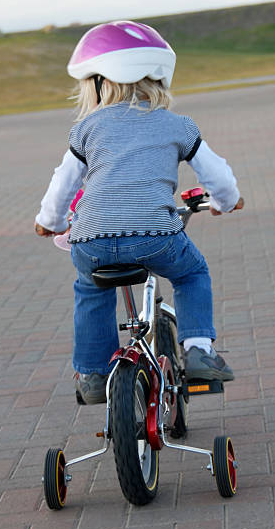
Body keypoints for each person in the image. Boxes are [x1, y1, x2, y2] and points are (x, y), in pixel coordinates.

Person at [35, 21, 244, 404]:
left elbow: (62, 183)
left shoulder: (86, 129)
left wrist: (49, 222)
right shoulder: (178, 125)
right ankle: (199, 350)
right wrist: (225, 201)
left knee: (90, 288)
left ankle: (94, 374)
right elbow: (217, 174)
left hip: (91, 241)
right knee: (192, 272)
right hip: (156, 237)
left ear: (98, 83)